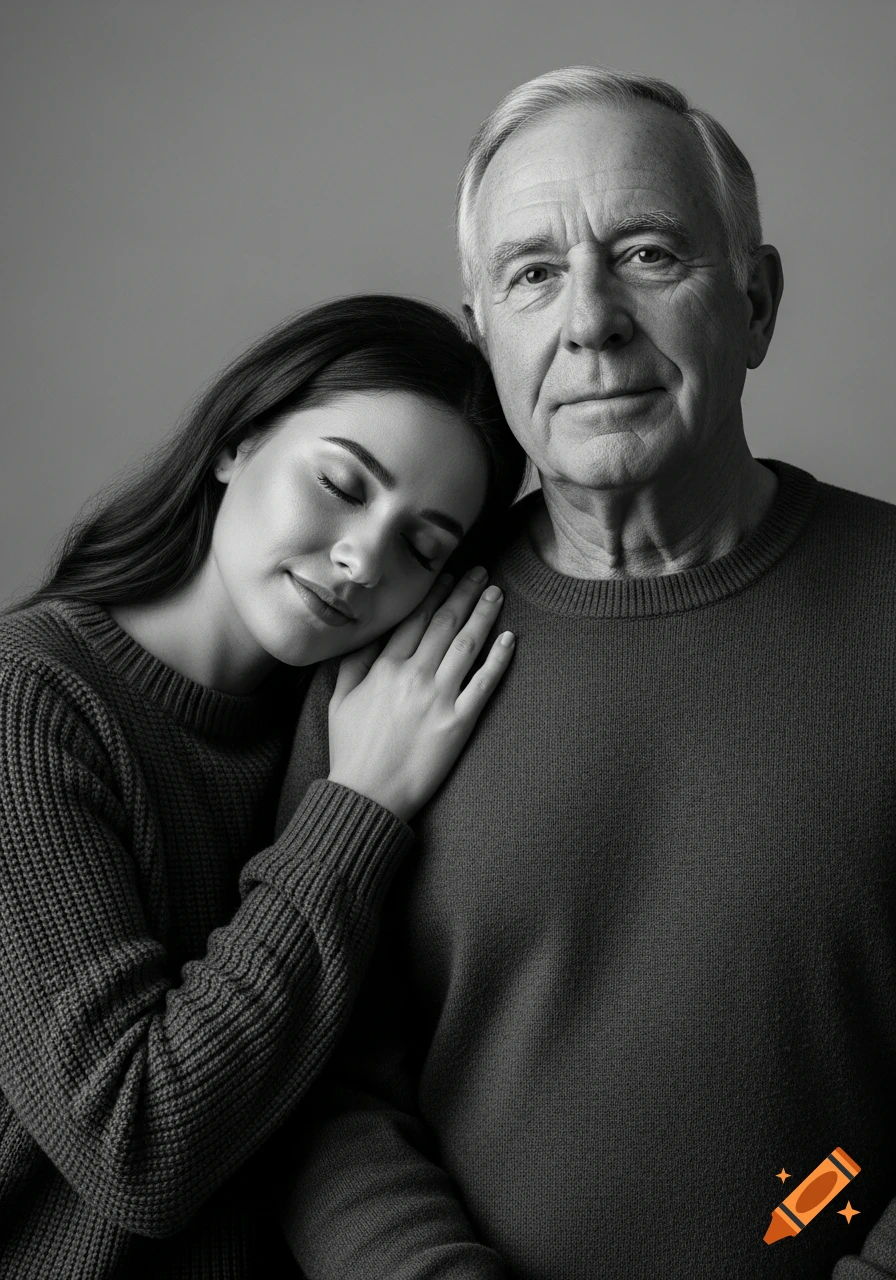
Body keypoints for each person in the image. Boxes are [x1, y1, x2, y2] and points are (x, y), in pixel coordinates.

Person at [275, 68, 896, 1279]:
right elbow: (321, 1073)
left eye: (649, 254)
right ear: (485, 339)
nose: (591, 319)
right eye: (533, 274)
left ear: (756, 303)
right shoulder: (387, 648)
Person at [0, 293, 527, 1279]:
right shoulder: (30, 702)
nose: (361, 556)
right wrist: (356, 809)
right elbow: (139, 1146)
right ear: (237, 441)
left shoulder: (355, 726)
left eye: (422, 545)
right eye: (339, 481)